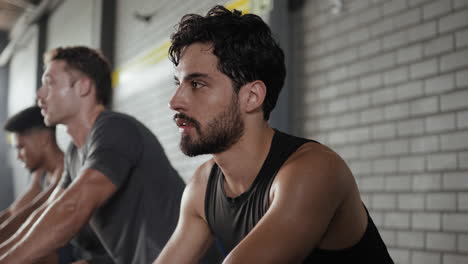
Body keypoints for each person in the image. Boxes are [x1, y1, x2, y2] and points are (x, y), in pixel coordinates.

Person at [155, 5, 394, 264]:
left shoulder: (314, 170)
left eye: (197, 84)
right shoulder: (202, 187)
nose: (174, 102)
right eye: (179, 84)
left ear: (252, 96)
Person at [0, 46, 185, 264]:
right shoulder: (73, 153)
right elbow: (49, 211)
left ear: (83, 87)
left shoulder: (115, 128)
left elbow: (72, 207)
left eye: (49, 83)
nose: (40, 94)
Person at [1, 105, 112, 264]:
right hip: (69, 248)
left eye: (21, 147)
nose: (18, 156)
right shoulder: (40, 174)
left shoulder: (65, 170)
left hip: (91, 253)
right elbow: (15, 212)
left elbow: (38, 210)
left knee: (32, 255)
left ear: (43, 139)